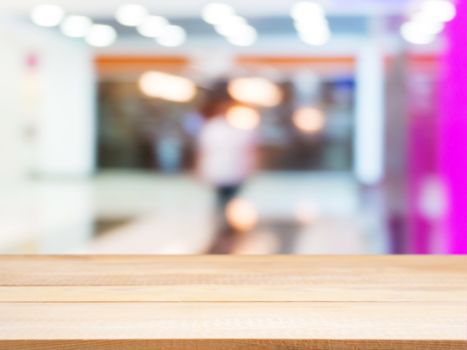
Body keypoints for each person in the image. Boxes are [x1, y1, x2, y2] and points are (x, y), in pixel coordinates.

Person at [196, 82, 257, 253]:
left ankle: (229, 230)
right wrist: (200, 169)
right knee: (221, 201)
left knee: (231, 201)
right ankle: (223, 229)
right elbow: (204, 151)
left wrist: (249, 168)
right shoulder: (211, 127)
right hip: (217, 171)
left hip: (235, 171)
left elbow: (248, 150)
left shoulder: (240, 126)